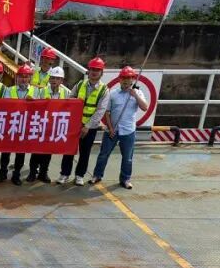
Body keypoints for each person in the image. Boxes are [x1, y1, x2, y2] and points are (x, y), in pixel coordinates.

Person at [91, 66, 147, 190]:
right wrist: (110, 128)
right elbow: (107, 112)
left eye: (129, 78)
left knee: (127, 158)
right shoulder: (113, 93)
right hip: (112, 130)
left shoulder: (137, 93)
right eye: (123, 78)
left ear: (133, 79)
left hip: (128, 131)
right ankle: (97, 175)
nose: (126, 80)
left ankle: (125, 179)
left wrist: (135, 96)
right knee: (103, 154)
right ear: (119, 79)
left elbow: (145, 107)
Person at [58, 57, 110, 186]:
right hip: (74, 124)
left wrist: (87, 126)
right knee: (69, 150)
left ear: (101, 72)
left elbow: (100, 111)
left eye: (97, 70)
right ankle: (64, 174)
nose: (94, 72)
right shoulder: (80, 84)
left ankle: (79, 175)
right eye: (92, 69)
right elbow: (71, 99)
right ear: (88, 71)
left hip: (90, 127)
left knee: (85, 152)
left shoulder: (104, 90)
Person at [27, 65, 71, 184]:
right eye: (52, 78)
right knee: (36, 151)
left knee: (48, 152)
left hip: (54, 126)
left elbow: (71, 107)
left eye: (57, 78)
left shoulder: (67, 93)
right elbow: (34, 105)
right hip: (41, 125)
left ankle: (43, 173)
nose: (54, 80)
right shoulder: (42, 91)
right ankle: (32, 173)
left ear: (62, 80)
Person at [0, 64, 37, 186]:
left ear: (30, 78)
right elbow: (6, 106)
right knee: (6, 151)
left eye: (26, 77)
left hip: (25, 126)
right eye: (21, 76)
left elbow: (40, 109)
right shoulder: (10, 90)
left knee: (20, 152)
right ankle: (2, 173)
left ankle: (16, 175)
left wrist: (33, 102)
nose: (23, 79)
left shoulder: (36, 91)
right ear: (17, 77)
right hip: (11, 124)